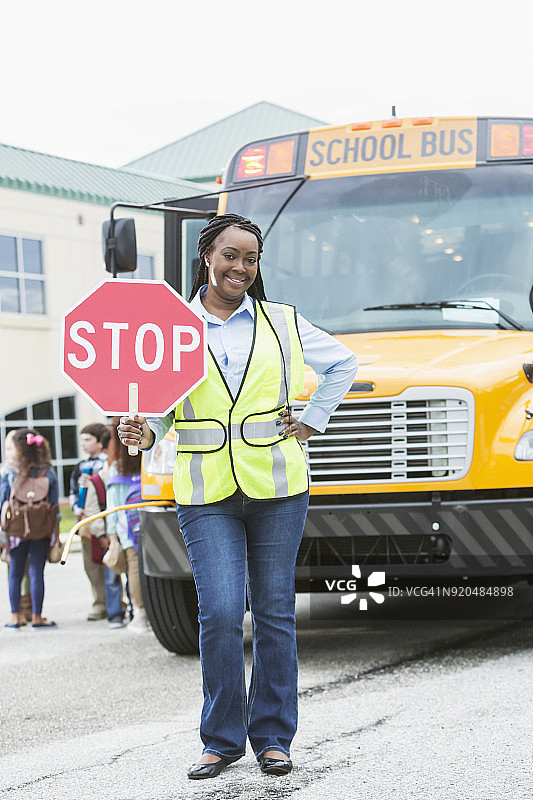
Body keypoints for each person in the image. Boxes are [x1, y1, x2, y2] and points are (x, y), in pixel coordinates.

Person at [118, 213, 358, 779]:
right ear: (207, 257)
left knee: (275, 613)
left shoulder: (282, 322)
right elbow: (157, 413)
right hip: (205, 493)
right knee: (222, 611)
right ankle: (221, 739)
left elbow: (343, 364)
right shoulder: (172, 327)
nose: (241, 268)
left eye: (251, 259)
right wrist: (144, 434)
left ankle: (274, 737)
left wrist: (312, 418)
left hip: (278, 487)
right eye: (230, 256)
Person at [1, 428, 60, 629]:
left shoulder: (9, 471)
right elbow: (55, 508)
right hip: (41, 528)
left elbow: (2, 503)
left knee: (15, 573)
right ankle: (37, 617)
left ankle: (15, 617)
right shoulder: (49, 472)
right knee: (36, 572)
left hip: (16, 529)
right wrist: (56, 534)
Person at [79, 426, 126, 629]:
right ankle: (114, 612)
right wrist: (101, 534)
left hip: (125, 529)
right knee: (110, 574)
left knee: (131, 572)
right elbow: (92, 508)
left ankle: (134, 609)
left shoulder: (122, 470)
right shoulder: (95, 475)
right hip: (107, 531)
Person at [106, 418, 149, 633]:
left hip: (128, 526)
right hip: (153, 521)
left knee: (134, 568)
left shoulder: (116, 466)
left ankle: (139, 614)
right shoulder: (150, 456)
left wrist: (112, 534)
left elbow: (113, 503)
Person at [70, 422, 108, 621]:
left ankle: (115, 603)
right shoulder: (80, 466)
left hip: (104, 519)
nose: (83, 444)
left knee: (110, 563)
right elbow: (72, 492)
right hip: (85, 521)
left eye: (88, 440)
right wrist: (77, 508)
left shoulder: (107, 463)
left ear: (100, 441)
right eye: (82, 440)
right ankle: (99, 603)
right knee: (91, 564)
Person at [1, 431, 32, 622]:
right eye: (5, 448)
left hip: (22, 526)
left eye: (10, 447)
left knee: (26, 569)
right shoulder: (6, 472)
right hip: (13, 527)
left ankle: (25, 609)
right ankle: (20, 610)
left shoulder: (12, 473)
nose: (7, 452)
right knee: (14, 568)